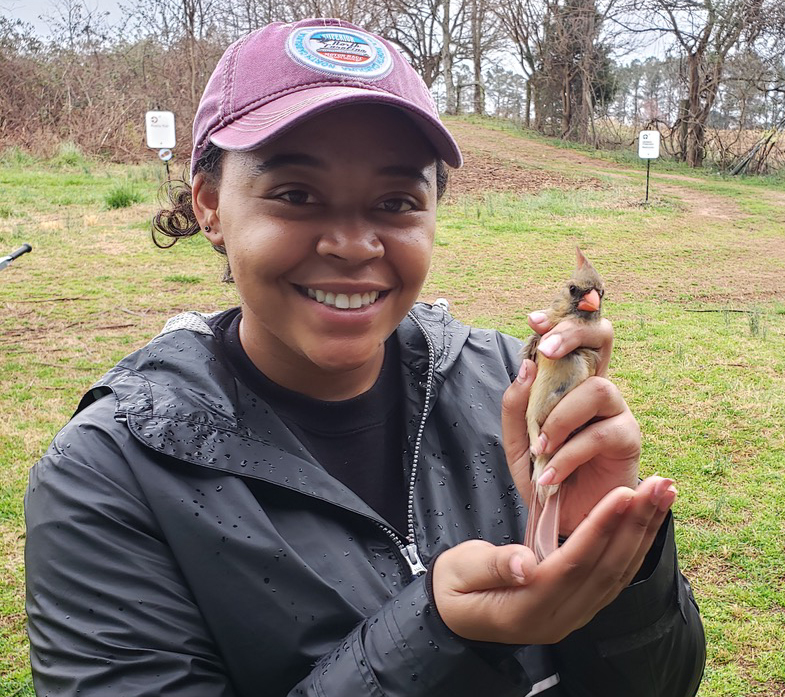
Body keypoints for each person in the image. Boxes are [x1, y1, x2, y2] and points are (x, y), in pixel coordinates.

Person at [24, 17, 706, 697]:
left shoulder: (508, 387)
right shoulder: (111, 476)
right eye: (296, 194)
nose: (354, 244)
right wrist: (433, 633)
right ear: (209, 206)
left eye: (395, 200)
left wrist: (612, 559)